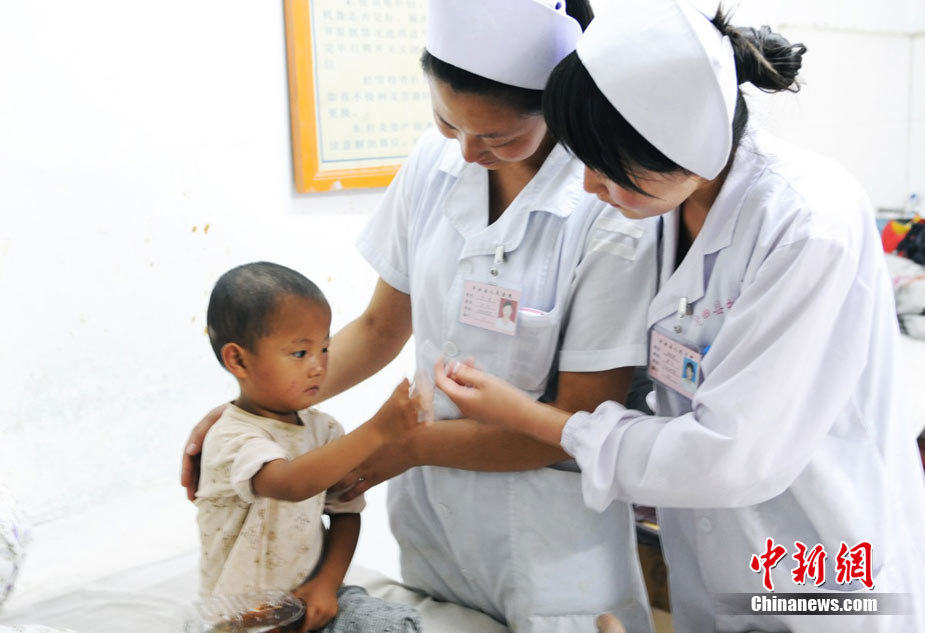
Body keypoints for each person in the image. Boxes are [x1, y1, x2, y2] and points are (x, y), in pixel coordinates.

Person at [433, 1, 925, 632]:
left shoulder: (808, 223)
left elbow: (733, 455)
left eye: (609, 171)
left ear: (685, 152)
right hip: (719, 556)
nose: (588, 187)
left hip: (818, 559)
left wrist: (538, 420)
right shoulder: (668, 205)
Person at [182, 1, 659, 631]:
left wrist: (400, 443)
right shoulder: (434, 165)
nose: (465, 152)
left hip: (550, 530)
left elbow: (575, 421)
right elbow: (381, 327)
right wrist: (261, 409)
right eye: (446, 120)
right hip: (437, 518)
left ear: (560, 104)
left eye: (496, 136)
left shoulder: (609, 208)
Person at [196, 262, 422, 632]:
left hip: (312, 600)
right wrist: (378, 431)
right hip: (243, 615)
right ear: (238, 359)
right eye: (300, 354)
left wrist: (327, 586)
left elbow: (345, 511)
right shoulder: (231, 438)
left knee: (393, 626)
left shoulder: (324, 429)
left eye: (325, 348)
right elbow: (290, 484)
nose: (319, 366)